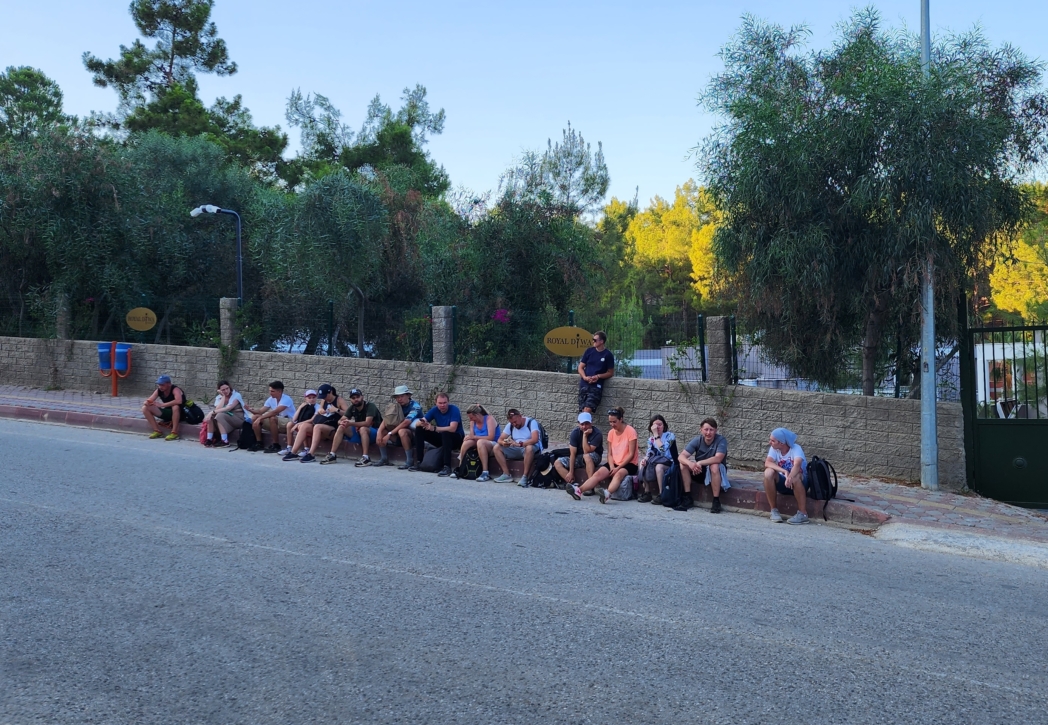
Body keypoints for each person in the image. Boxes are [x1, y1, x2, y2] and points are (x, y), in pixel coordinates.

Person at [567, 406, 637, 503]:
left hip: (629, 463)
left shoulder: (631, 431)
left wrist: (618, 468)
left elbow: (631, 454)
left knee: (618, 474)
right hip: (614, 462)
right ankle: (578, 490)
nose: (612, 424)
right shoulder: (611, 433)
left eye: (614, 422)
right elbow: (609, 453)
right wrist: (612, 466)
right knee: (598, 474)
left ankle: (607, 494)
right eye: (610, 422)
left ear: (621, 419)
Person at [283, 383, 348, 462]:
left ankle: (311, 454)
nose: (324, 398)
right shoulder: (324, 400)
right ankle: (293, 452)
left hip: (333, 429)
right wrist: (321, 411)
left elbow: (348, 414)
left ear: (330, 392)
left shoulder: (339, 400)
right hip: (322, 423)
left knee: (317, 426)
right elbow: (320, 409)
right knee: (304, 426)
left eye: (325, 396)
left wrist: (336, 410)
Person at [679, 417, 730, 513]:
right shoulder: (697, 440)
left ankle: (716, 501)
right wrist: (690, 463)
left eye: (711, 430)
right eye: (706, 429)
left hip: (716, 472)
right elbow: (681, 456)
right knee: (683, 465)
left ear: (716, 430)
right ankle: (688, 497)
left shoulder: (721, 440)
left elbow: (718, 458)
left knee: (714, 465)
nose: (708, 432)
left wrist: (700, 462)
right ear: (701, 430)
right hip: (700, 471)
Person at [321, 388, 382, 466]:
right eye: (353, 398)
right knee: (341, 427)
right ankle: (332, 455)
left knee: (363, 428)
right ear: (350, 400)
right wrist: (343, 422)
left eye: (357, 397)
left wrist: (351, 423)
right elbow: (340, 420)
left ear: (362, 397)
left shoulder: (370, 405)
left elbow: (367, 423)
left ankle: (366, 458)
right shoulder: (352, 408)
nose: (356, 399)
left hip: (375, 433)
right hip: (359, 432)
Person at [483, 409, 542, 486]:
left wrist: (520, 444)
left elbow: (535, 439)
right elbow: (500, 439)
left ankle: (525, 477)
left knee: (529, 448)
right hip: (516, 448)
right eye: (512, 423)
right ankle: (506, 474)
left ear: (520, 416)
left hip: (529, 448)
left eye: (515, 422)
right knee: (497, 447)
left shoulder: (531, 422)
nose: (514, 424)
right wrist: (504, 443)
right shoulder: (510, 425)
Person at [763, 427, 809, 525]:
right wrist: (784, 471)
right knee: (768, 472)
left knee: (796, 476)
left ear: (782, 443)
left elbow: (797, 465)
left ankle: (803, 514)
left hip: (799, 483)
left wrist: (790, 476)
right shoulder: (774, 449)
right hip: (784, 482)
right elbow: (767, 463)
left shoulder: (796, 448)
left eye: (772, 440)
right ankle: (774, 511)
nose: (769, 442)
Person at [410, 392, 464, 476]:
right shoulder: (434, 410)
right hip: (442, 438)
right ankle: (419, 462)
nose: (442, 405)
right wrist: (423, 423)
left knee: (446, 433)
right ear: (436, 403)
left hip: (456, 439)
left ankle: (447, 467)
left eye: (444, 403)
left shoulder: (454, 409)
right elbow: (418, 423)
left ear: (448, 402)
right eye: (440, 403)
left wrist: (434, 428)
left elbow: (452, 428)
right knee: (419, 430)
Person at [373, 385, 424, 468]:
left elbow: (406, 423)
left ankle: (409, 461)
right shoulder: (395, 406)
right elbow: (386, 419)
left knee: (402, 431)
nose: (399, 399)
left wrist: (389, 434)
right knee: (382, 431)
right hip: (397, 436)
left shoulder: (415, 406)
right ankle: (384, 458)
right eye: (397, 397)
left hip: (414, 437)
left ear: (408, 395)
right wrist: (379, 432)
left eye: (402, 396)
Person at [553, 412, 604, 487]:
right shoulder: (575, 433)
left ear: (591, 423)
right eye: (582, 424)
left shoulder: (597, 434)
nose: (584, 427)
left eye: (586, 424)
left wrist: (585, 436)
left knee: (586, 456)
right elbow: (572, 454)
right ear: (578, 424)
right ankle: (573, 485)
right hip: (579, 456)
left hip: (594, 456)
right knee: (557, 462)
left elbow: (587, 451)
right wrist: (571, 472)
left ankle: (591, 486)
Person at [453, 404, 499, 481]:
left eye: (471, 417)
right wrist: (468, 437)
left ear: (477, 415)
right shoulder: (472, 422)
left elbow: (491, 437)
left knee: (480, 442)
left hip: (492, 444)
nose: (470, 419)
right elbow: (472, 435)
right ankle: (461, 468)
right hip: (479, 443)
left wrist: (474, 437)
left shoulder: (489, 419)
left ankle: (485, 472)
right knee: (466, 442)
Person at [637, 414, 675, 504]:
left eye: (660, 425)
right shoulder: (651, 439)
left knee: (659, 467)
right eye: (655, 425)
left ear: (664, 426)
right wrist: (644, 459)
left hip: (669, 461)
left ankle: (661, 494)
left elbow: (663, 450)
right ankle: (647, 492)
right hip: (655, 460)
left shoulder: (670, 436)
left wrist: (656, 435)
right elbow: (649, 453)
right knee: (642, 463)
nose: (657, 427)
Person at [246, 381, 294, 453]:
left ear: (279, 391)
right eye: (270, 391)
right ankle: (259, 443)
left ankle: (276, 445)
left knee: (272, 418)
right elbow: (260, 411)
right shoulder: (271, 399)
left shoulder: (287, 399)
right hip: (277, 422)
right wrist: (250, 410)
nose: (270, 393)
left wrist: (261, 418)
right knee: (255, 417)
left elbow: (275, 412)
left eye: (272, 391)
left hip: (288, 422)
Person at [577, 331, 615, 414]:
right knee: (582, 410)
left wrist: (598, 376)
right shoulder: (589, 351)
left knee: (587, 410)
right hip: (585, 384)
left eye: (595, 340)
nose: (593, 341)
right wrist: (584, 377)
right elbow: (580, 367)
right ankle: (584, 426)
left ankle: (586, 426)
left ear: (601, 341)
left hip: (596, 386)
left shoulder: (608, 355)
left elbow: (610, 372)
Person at [204, 380, 250, 447]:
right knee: (211, 417)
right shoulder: (219, 397)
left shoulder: (236, 395)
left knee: (220, 415)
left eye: (227, 388)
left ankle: (225, 441)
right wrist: (223, 397)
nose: (226, 391)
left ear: (229, 387)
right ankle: (209, 439)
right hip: (227, 417)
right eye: (223, 390)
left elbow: (228, 408)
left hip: (239, 418)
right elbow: (217, 409)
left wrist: (211, 412)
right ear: (219, 390)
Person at [142, 375, 185, 440]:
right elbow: (150, 399)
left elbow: (179, 401)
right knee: (145, 408)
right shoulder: (159, 390)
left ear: (169, 384)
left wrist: (162, 405)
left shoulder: (175, 389)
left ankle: (174, 433)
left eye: (162, 385)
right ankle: (157, 431)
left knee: (175, 406)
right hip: (167, 411)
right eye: (159, 385)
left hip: (180, 413)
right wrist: (147, 402)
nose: (160, 387)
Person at [277, 390, 318, 455]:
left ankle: (306, 448)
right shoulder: (304, 406)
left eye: (313, 397)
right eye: (309, 398)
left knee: (302, 426)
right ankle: (289, 447)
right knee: (290, 424)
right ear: (305, 398)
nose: (312, 399)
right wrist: (300, 408)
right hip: (302, 423)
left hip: (311, 425)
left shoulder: (317, 407)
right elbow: (294, 419)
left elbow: (312, 420)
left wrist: (298, 424)